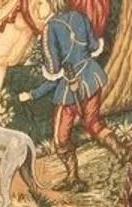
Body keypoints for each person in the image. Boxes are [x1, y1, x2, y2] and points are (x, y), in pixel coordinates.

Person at [17, 0, 123, 191]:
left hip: (70, 90)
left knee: (60, 139)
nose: (37, 8)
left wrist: (31, 95)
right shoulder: (80, 17)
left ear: (52, 4)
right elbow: (93, 46)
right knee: (94, 123)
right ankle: (122, 153)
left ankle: (73, 178)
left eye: (41, 2)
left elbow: (53, 72)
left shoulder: (50, 29)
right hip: (92, 77)